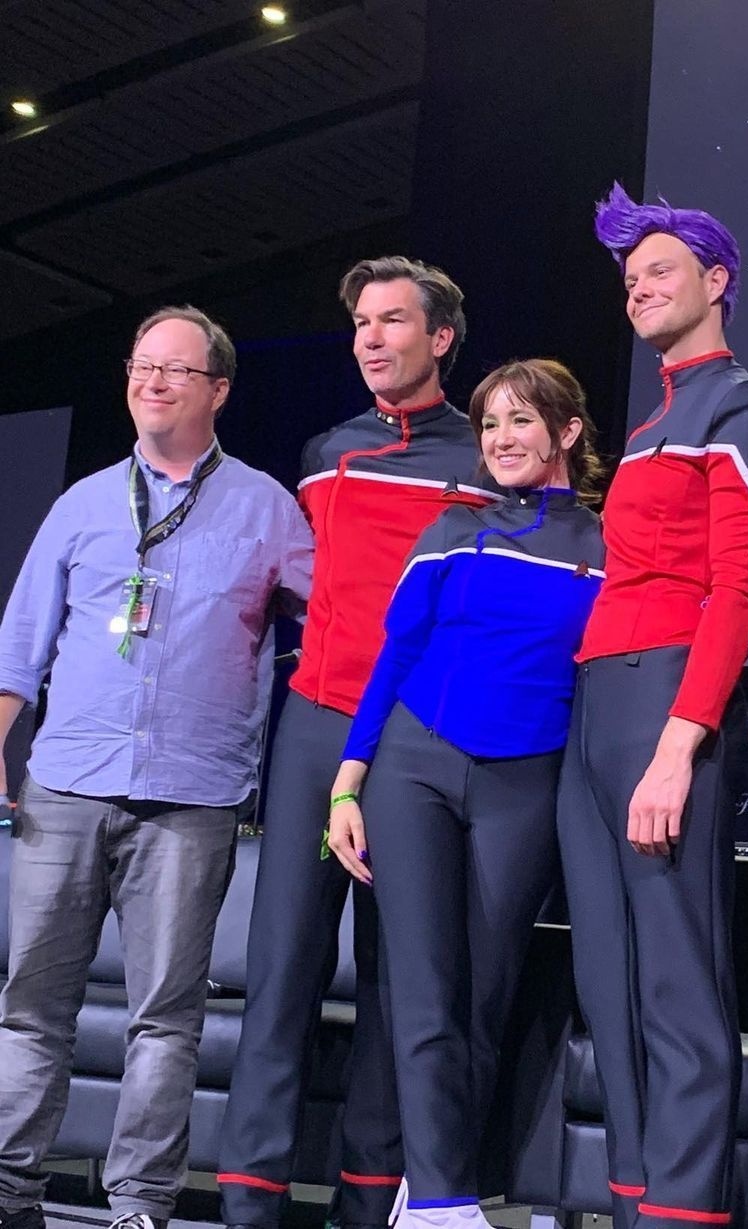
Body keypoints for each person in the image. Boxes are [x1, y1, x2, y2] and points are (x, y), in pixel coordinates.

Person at [0, 307, 314, 1229]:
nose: (153, 382)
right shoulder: (83, 503)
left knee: (165, 1015)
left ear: (218, 388)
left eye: (175, 369)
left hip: (191, 797)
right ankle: (9, 1189)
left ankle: (139, 1203)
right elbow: (21, 641)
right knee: (31, 1005)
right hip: (65, 785)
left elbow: (332, 623)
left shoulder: (266, 508)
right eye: (142, 366)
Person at [218, 257, 494, 1229]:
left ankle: (369, 1204)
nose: (370, 338)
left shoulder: (484, 458)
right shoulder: (324, 453)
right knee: (282, 965)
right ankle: (248, 1200)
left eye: (392, 320)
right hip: (317, 721)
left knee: (394, 977)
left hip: (419, 734)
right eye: (361, 323)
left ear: (441, 338)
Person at [557, 184, 748, 1229]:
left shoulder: (742, 406)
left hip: (667, 703)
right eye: (628, 280)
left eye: (660, 271)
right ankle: (632, 1200)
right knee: (609, 977)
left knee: (676, 979)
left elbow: (740, 589)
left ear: (716, 280)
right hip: (598, 699)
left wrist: (678, 747)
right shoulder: (658, 413)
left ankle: (687, 1209)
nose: (640, 290)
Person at [326, 358, 605, 1229]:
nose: (500, 439)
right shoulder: (454, 528)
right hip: (413, 768)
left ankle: (434, 1188)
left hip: (526, 780)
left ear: (565, 431)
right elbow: (396, 655)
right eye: (489, 424)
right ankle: (444, 1204)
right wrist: (347, 784)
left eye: (520, 420)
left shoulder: (604, 546)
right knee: (421, 988)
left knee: (483, 995)